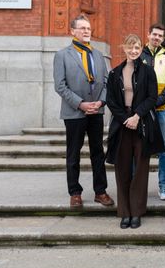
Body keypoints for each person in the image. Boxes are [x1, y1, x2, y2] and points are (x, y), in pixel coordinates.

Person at [53, 14, 114, 208]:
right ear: (73, 31)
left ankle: (101, 191)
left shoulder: (97, 54)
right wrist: (81, 104)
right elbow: (60, 86)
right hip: (74, 112)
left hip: (96, 111)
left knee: (98, 152)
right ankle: (75, 192)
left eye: (88, 28)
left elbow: (106, 82)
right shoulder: (62, 55)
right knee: (73, 153)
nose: (87, 31)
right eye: (82, 28)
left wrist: (100, 102)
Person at [106, 34, 164, 229]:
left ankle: (137, 212)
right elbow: (112, 101)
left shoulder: (148, 71)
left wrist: (137, 116)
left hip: (142, 123)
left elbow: (152, 97)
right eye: (130, 47)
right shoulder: (115, 73)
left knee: (140, 168)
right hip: (122, 124)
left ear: (141, 48)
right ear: (124, 48)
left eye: (137, 47)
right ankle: (125, 212)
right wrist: (125, 119)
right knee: (122, 168)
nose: (133, 50)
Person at [140, 23, 165, 200]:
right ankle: (138, 186)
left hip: (161, 109)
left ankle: (164, 186)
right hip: (141, 111)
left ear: (163, 39)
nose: (157, 38)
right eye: (154, 34)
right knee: (139, 148)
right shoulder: (138, 54)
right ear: (148, 34)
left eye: (160, 36)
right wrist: (145, 105)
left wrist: (156, 102)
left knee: (164, 149)